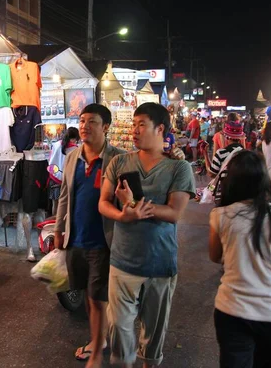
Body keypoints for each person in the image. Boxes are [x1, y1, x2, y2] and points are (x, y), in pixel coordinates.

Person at [98, 103, 195, 368]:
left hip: (160, 263)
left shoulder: (179, 168)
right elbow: (103, 202)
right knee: (118, 326)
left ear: (160, 128)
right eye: (133, 124)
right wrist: (122, 215)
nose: (134, 130)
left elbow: (175, 212)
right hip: (123, 261)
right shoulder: (120, 162)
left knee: (153, 333)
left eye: (141, 124)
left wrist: (133, 204)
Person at [208, 150, 271, 367]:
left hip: (232, 310)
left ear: (232, 181)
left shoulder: (220, 216)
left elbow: (215, 256)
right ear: (264, 180)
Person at [53, 104, 124, 368]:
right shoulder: (72, 157)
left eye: (91, 121)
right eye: (82, 121)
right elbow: (64, 196)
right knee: (85, 292)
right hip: (76, 238)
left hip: (103, 240)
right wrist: (59, 229)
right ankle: (100, 336)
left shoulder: (119, 158)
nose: (84, 126)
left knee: (97, 296)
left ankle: (98, 345)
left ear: (105, 126)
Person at [47, 126, 80, 213]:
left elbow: (50, 160)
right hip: (67, 180)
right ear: (75, 138)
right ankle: (64, 225)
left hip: (54, 178)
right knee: (66, 205)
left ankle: (54, 224)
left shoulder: (56, 144)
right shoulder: (75, 149)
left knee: (55, 204)